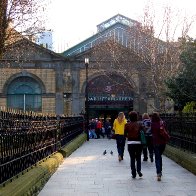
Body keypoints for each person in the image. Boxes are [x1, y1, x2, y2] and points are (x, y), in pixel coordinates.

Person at [125, 111, 143, 178]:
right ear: (136, 117)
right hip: (138, 143)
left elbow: (125, 134)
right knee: (138, 158)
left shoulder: (127, 125)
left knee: (132, 158)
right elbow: (142, 133)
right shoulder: (139, 124)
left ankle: (133, 173)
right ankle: (139, 170)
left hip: (130, 143)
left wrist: (129, 136)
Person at [151, 112, 167, 181]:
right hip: (162, 142)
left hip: (155, 142)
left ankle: (158, 172)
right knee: (159, 156)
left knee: (157, 157)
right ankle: (160, 171)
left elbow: (151, 132)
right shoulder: (162, 123)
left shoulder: (152, 124)